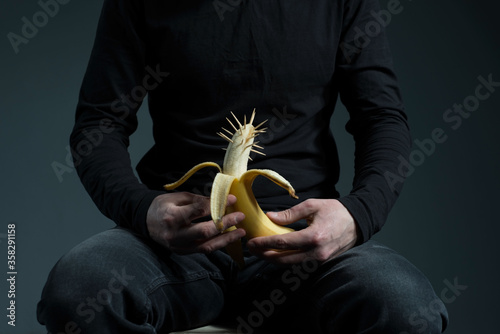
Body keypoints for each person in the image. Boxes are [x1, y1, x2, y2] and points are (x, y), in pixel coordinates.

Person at [37, 0, 449, 333]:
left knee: (403, 303)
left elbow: (382, 118)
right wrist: (142, 209)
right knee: (78, 290)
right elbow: (99, 124)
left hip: (302, 245)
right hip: (176, 246)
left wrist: (357, 216)